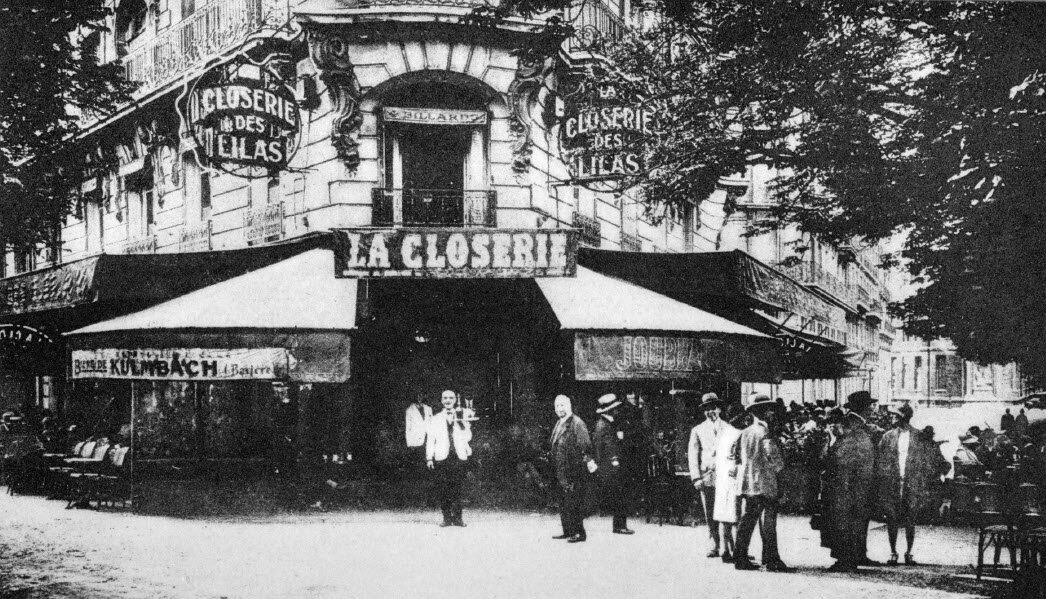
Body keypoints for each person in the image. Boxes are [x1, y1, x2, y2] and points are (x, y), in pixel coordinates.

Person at [876, 404, 950, 566]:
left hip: (912, 483)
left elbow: (930, 458)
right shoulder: (888, 436)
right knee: (892, 518)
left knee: (910, 519)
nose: (892, 418)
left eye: (895, 415)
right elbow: (880, 460)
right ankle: (893, 552)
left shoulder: (919, 436)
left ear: (904, 416)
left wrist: (926, 478)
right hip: (893, 482)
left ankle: (909, 552)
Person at [731, 393, 792, 572]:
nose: (771, 412)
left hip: (749, 483)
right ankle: (771, 560)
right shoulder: (766, 432)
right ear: (762, 411)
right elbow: (775, 460)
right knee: (769, 522)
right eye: (768, 409)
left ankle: (740, 558)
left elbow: (738, 458)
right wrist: (781, 473)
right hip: (765, 483)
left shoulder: (745, 433)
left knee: (747, 520)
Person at [819, 408, 875, 573]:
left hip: (845, 490)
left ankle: (846, 560)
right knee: (842, 524)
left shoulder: (847, 442)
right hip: (845, 490)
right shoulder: (844, 440)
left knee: (844, 524)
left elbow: (839, 465)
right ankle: (845, 558)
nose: (831, 427)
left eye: (833, 424)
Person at [550, 394, 597, 543]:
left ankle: (579, 533)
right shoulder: (559, 423)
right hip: (560, 470)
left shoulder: (577, 423)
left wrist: (584, 464)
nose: (559, 409)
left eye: (562, 405)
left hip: (573, 469)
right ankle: (568, 530)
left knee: (574, 501)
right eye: (557, 406)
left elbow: (586, 446)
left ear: (569, 406)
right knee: (564, 501)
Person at [842, 390, 880, 566]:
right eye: (870, 406)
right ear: (863, 408)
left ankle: (859, 553)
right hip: (854, 480)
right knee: (853, 516)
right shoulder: (853, 424)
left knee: (862, 516)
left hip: (861, 478)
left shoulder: (858, 423)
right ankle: (851, 555)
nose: (872, 409)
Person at [426, 390, 472, 527]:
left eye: (451, 398)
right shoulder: (435, 419)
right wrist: (429, 458)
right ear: (441, 400)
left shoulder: (462, 416)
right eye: (445, 398)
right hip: (441, 457)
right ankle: (446, 518)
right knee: (443, 489)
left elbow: (468, 437)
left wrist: (462, 424)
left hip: (458, 456)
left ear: (455, 400)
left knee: (458, 488)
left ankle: (458, 518)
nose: (448, 400)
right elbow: (430, 440)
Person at [688, 392, 725, 557]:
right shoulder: (698, 430)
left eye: (714, 408)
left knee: (728, 511)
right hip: (706, 476)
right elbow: (693, 455)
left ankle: (729, 546)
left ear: (719, 409)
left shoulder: (729, 428)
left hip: (725, 477)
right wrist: (696, 477)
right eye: (707, 409)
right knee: (710, 512)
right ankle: (714, 543)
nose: (711, 412)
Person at [592, 393, 633, 534]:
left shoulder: (603, 424)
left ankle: (619, 525)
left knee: (619, 496)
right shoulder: (605, 426)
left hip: (607, 466)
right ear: (609, 410)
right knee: (620, 495)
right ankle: (620, 526)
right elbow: (609, 447)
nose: (617, 410)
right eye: (615, 408)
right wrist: (615, 462)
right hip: (611, 467)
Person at [713, 402, 746, 563]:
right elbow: (740, 458)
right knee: (736, 516)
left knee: (723, 515)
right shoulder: (740, 434)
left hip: (722, 478)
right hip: (734, 478)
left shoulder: (723, 432)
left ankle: (725, 550)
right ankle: (737, 551)